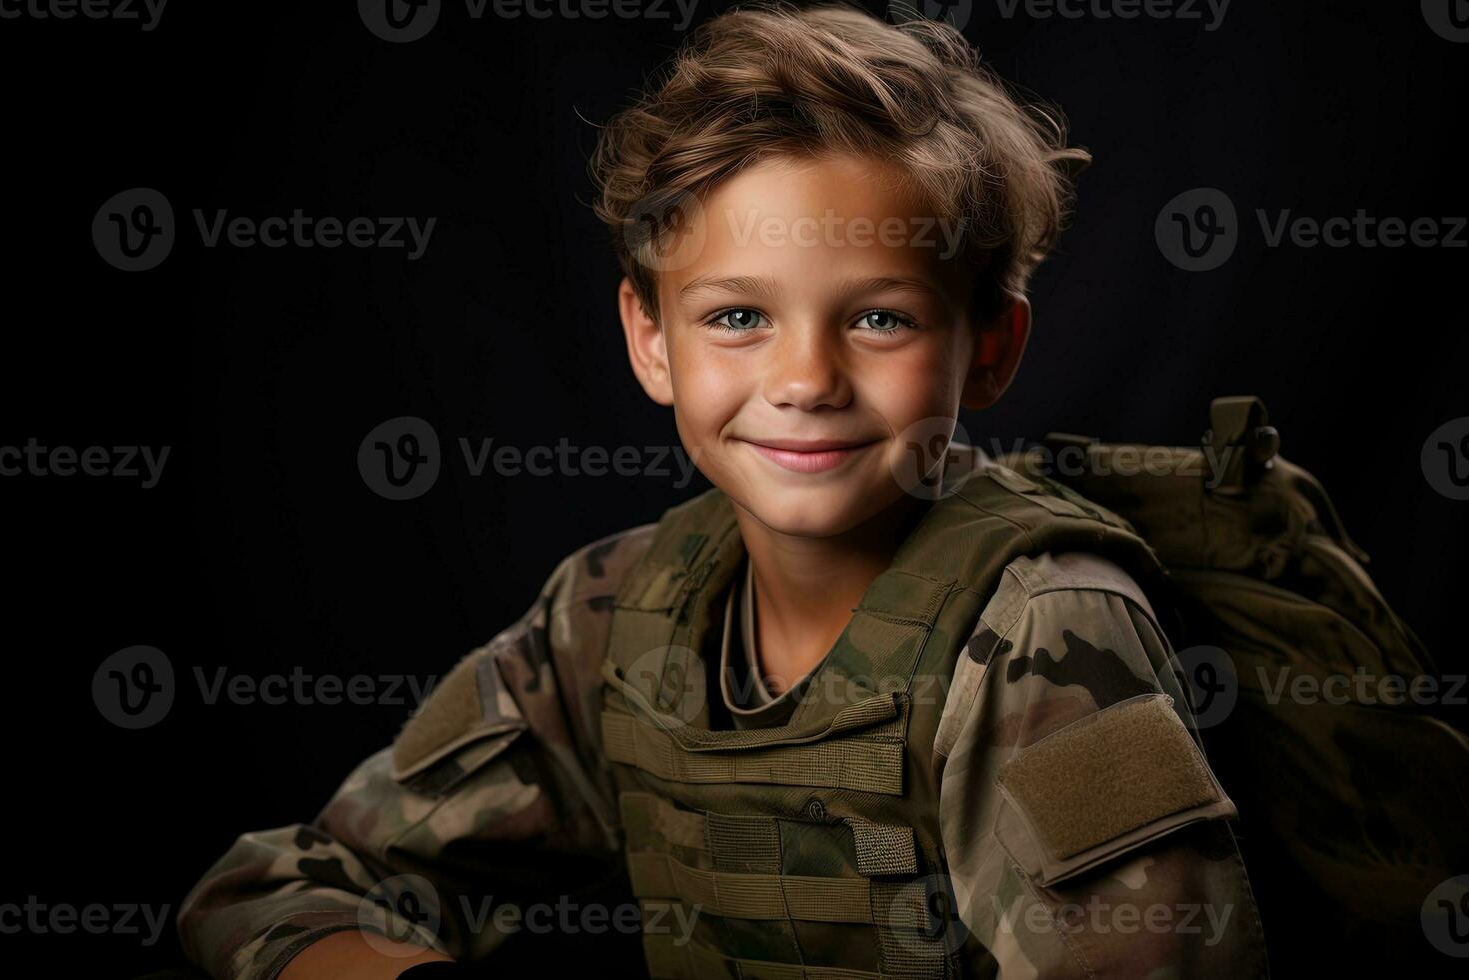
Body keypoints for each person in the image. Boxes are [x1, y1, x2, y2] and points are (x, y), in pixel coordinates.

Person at [177, 3, 1269, 977]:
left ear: (989, 347)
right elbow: (272, 889)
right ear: (649, 339)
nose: (803, 381)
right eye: (737, 317)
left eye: (879, 316)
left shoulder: (1045, 632)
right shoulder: (622, 609)